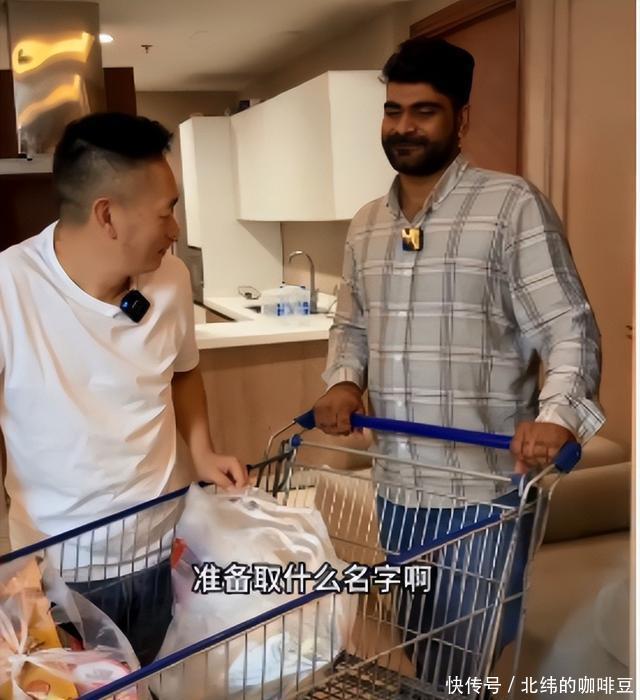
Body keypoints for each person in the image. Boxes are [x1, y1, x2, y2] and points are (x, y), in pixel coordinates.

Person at [313, 37, 604, 689]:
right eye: (393, 111)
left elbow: (569, 326)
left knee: (464, 658)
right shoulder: (366, 225)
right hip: (397, 487)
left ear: (461, 118)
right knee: (422, 641)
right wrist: (344, 380)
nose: (404, 127)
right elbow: (351, 325)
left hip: (485, 490)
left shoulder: (512, 207)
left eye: (425, 111)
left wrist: (558, 416)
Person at [0, 112, 248, 663]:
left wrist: (202, 451)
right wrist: (13, 574)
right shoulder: (9, 288)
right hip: (58, 572)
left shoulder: (172, 278)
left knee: (163, 680)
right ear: (107, 215)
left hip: (165, 545)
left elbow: (183, 369)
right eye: (167, 212)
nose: (176, 229)